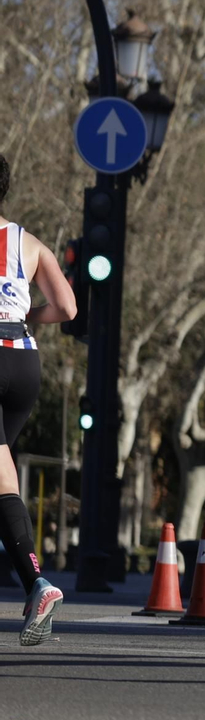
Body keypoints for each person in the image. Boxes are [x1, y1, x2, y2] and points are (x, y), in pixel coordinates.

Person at [0, 155, 77, 645]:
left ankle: (37, 583)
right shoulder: (27, 242)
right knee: (1, 473)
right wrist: (26, 317)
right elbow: (68, 307)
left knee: (3, 480)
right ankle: (34, 583)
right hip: (24, 363)